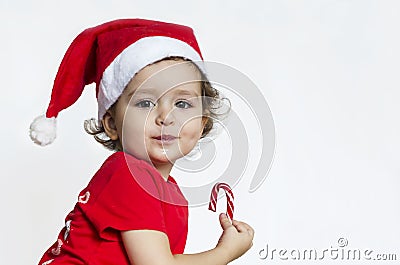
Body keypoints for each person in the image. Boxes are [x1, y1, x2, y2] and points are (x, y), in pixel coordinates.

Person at [30, 18, 254, 265]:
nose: (165, 117)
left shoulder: (169, 191)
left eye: (182, 104)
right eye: (145, 103)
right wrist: (226, 252)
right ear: (112, 124)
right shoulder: (130, 174)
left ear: (202, 123)